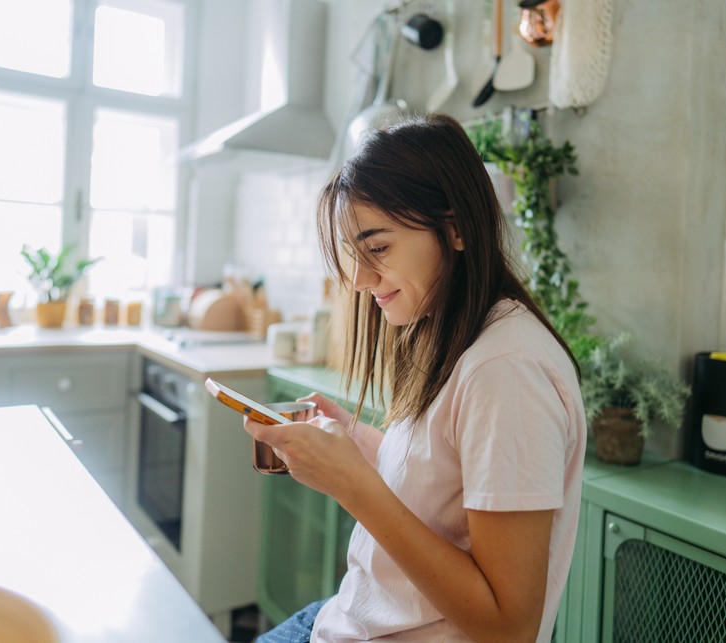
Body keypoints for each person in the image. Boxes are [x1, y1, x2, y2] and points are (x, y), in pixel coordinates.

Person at [245, 113, 586, 643]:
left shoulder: (507, 371)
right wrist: (361, 448)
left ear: (454, 228)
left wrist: (353, 487)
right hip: (344, 617)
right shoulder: (453, 333)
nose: (359, 280)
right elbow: (446, 488)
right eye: (354, 255)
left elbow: (510, 627)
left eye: (378, 249)